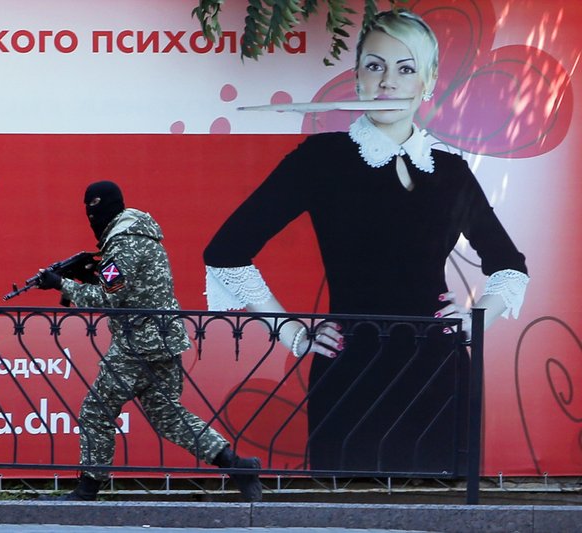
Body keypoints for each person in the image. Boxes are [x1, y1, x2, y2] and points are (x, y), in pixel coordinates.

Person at [202, 10, 529, 472]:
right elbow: (225, 253)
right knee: (346, 507)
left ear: (428, 81)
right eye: (375, 66)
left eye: (406, 68)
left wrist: (474, 323)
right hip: (350, 373)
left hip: (439, 375)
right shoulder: (321, 160)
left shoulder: (450, 170)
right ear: (357, 76)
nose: (388, 82)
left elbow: (510, 266)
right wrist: (291, 332)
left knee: (442, 513)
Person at [36, 180, 263, 501]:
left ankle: (87, 490)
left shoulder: (123, 243)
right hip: (165, 342)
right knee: (168, 416)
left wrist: (61, 284)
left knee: (96, 412)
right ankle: (238, 466)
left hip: (138, 346)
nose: (91, 217)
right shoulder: (142, 236)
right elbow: (128, 287)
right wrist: (88, 275)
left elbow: (105, 299)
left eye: (94, 209)